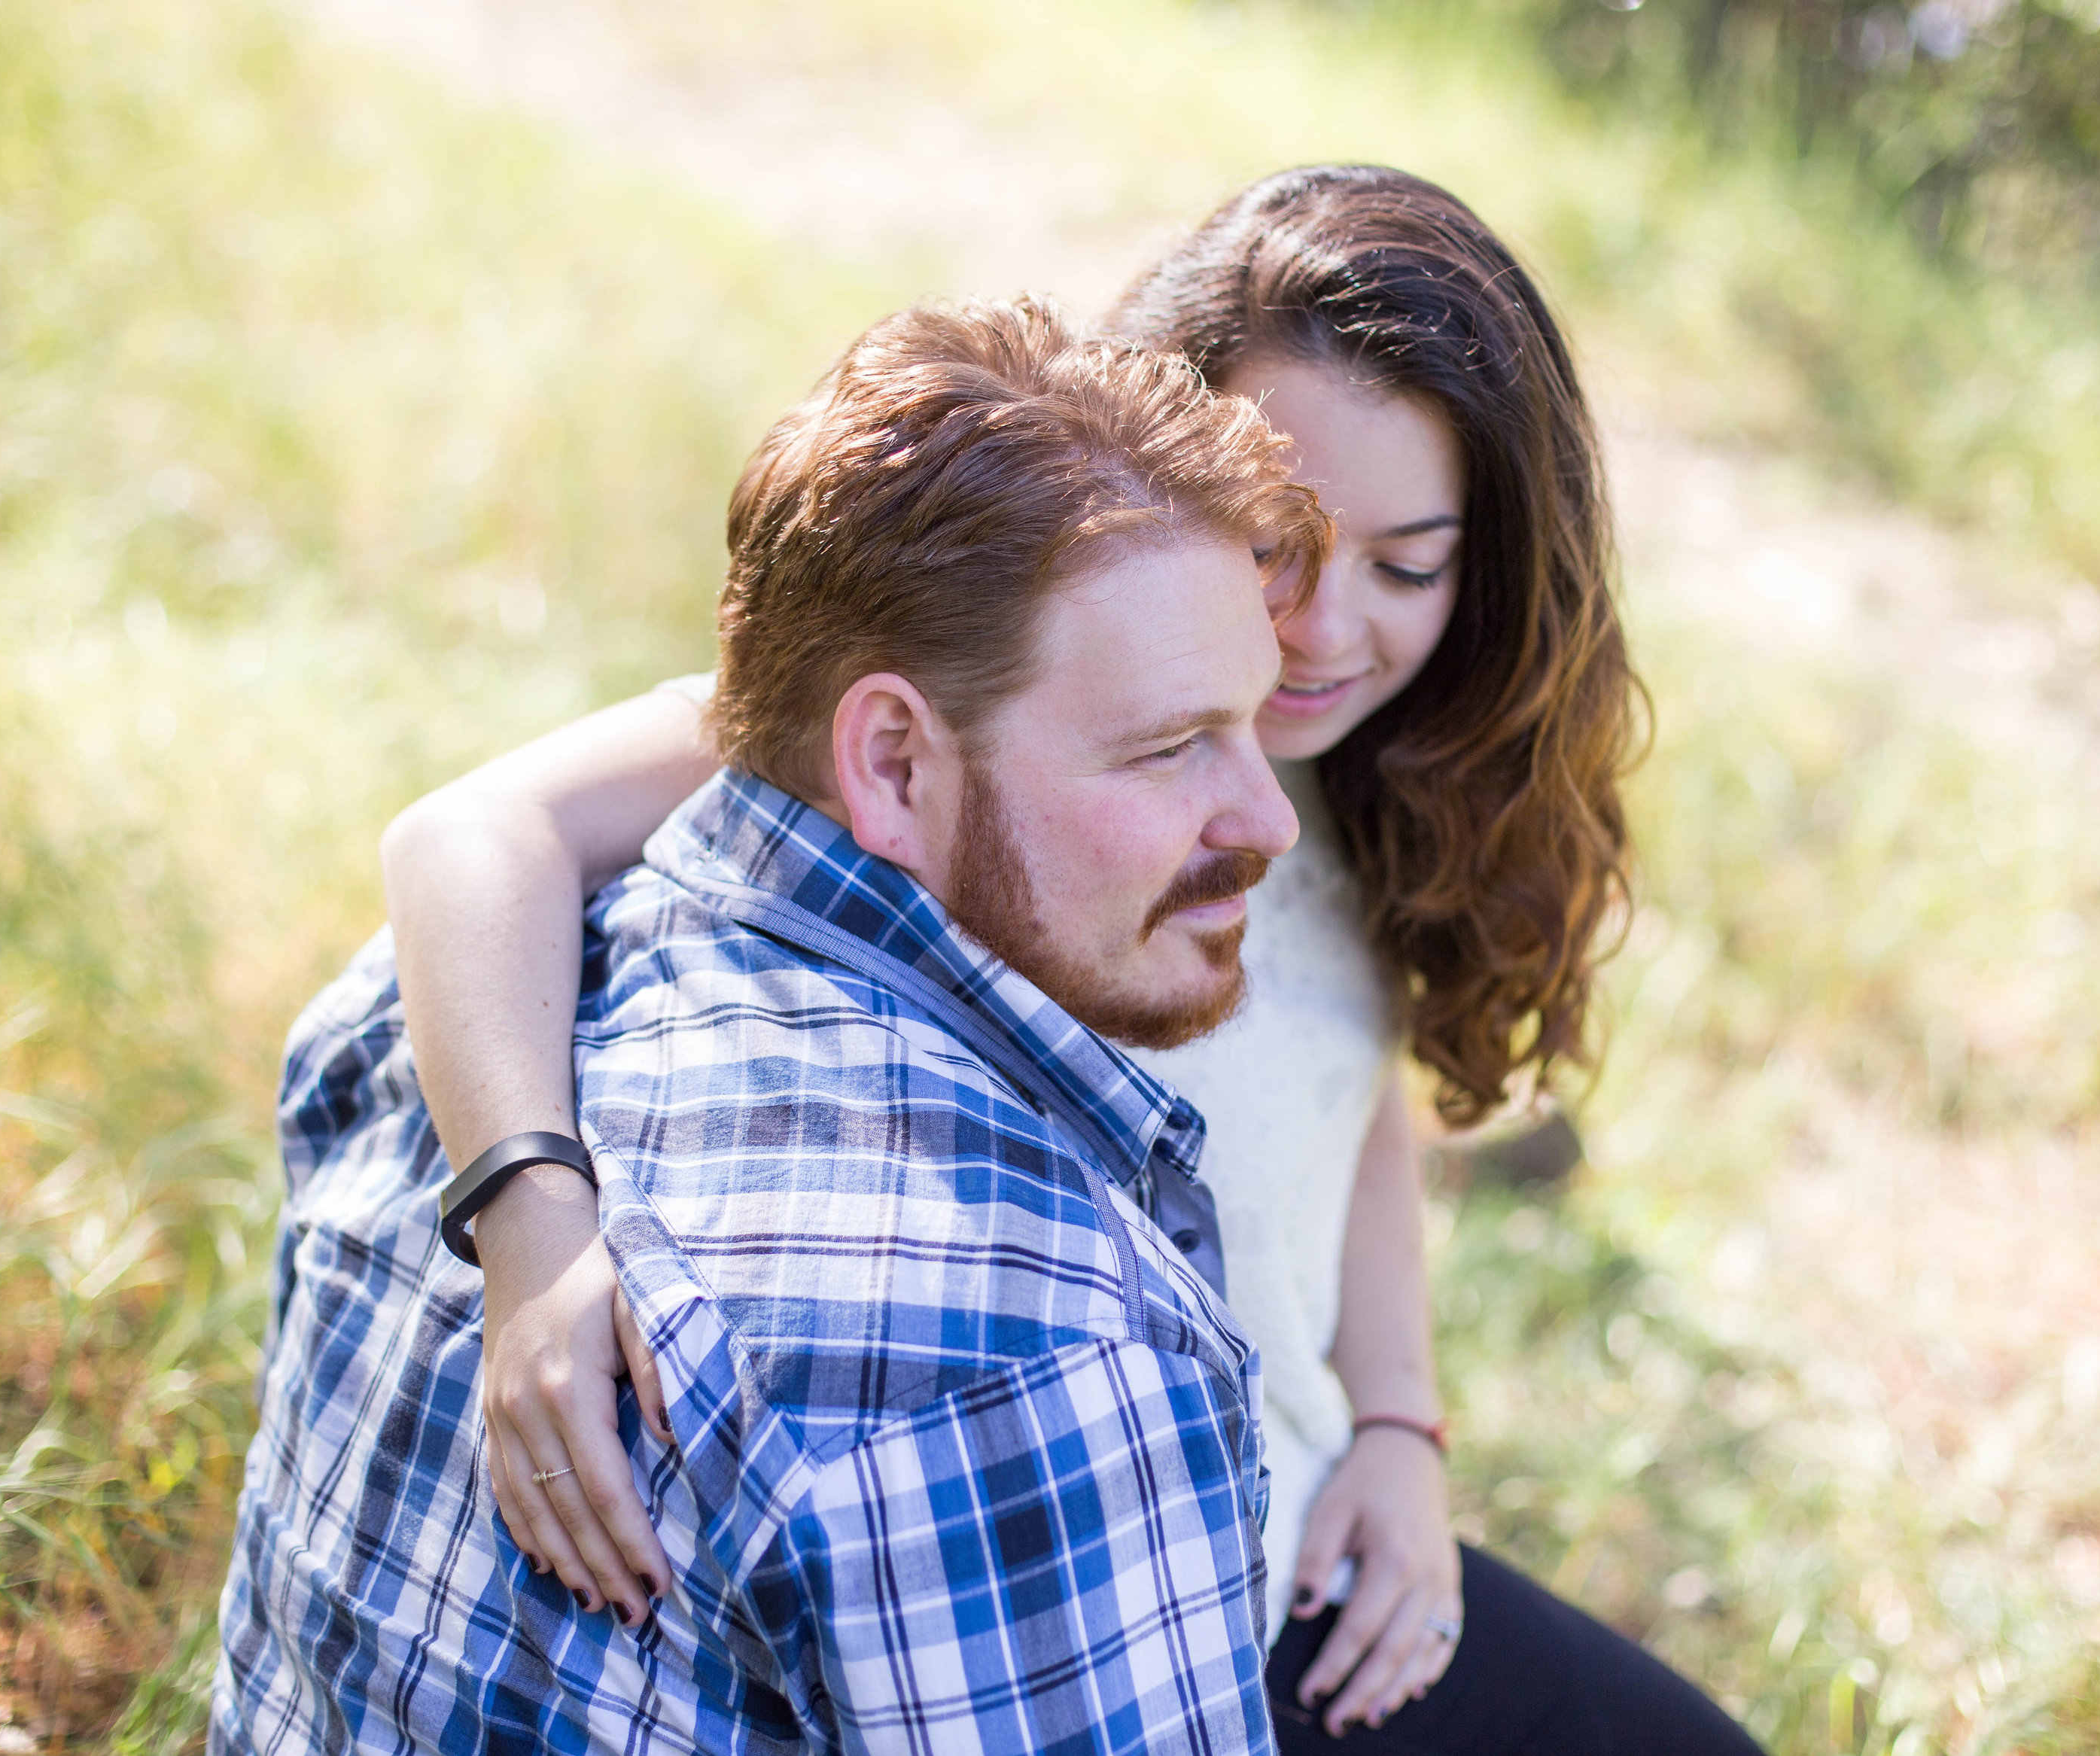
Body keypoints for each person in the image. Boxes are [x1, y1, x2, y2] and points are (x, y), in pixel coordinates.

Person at [385, 166, 1765, 1751]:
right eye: (1287, 537)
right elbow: (468, 834)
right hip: (1094, 1607)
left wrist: (1399, 1425)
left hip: (1298, 1535)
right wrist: (534, 1227)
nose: (1323, 633)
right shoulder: (984, 727)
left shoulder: (1368, 770)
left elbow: (1348, 1095)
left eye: (1408, 566)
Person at [212, 294, 1335, 1752]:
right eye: (1172, 746)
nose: (1267, 820)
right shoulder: (1042, 1351)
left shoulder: (418, 1012)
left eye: (1251, 723)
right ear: (892, 762)